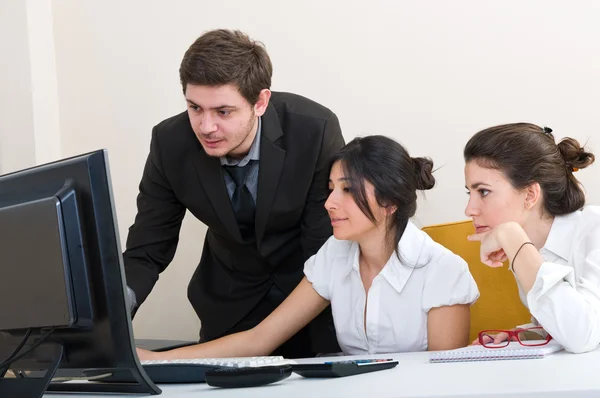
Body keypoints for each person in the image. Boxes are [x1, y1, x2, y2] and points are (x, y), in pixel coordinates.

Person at [137, 135, 480, 361]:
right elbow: (260, 340)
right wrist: (159, 359)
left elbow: (443, 381)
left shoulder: (442, 271)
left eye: (347, 190)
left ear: (389, 201)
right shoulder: (335, 255)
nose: (329, 202)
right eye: (331, 188)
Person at [123, 29, 345, 358]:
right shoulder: (170, 143)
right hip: (228, 303)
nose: (206, 126)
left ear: (260, 102)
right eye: (194, 108)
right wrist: (110, 319)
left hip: (310, 301)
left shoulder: (313, 129)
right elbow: (147, 248)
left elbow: (324, 248)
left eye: (223, 112)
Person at [464, 122, 599, 353]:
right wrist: (523, 335)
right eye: (470, 192)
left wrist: (512, 237)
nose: (470, 209)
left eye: (483, 192)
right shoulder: (528, 247)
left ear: (530, 195)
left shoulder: (594, 228)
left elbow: (582, 334)